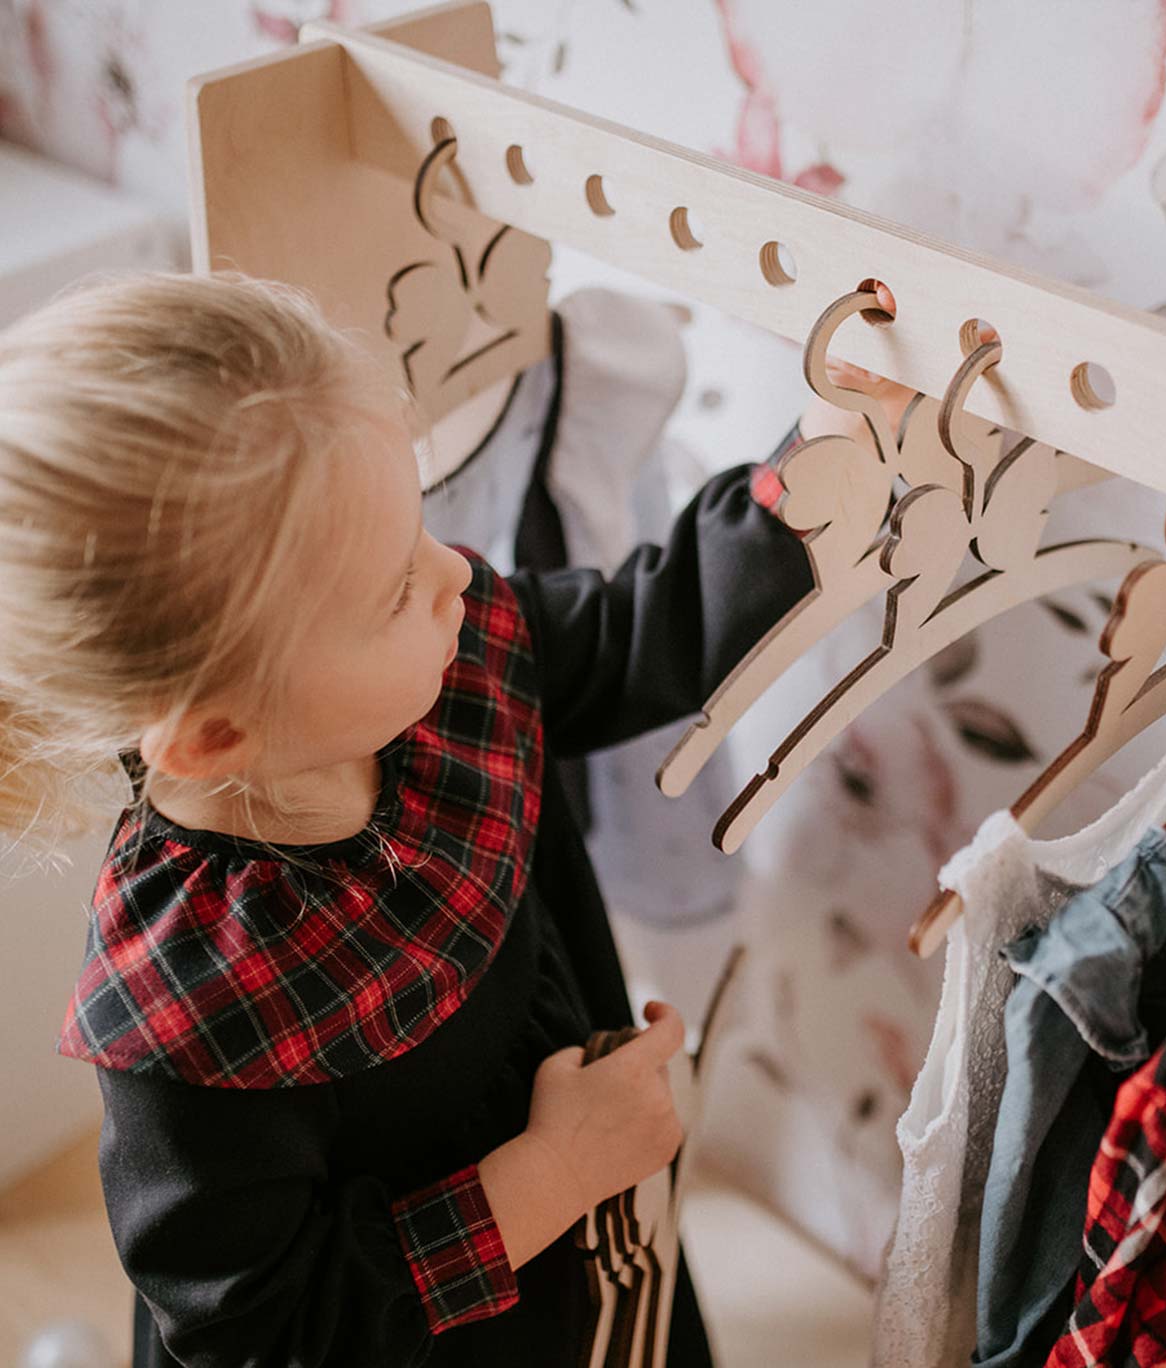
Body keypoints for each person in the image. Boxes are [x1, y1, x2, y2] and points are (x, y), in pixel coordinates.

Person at [0, 270, 903, 1366]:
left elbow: (639, 631)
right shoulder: (188, 1013)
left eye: (421, 523)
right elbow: (265, 1333)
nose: (453, 580)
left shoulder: (447, 664)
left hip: (591, 1259)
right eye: (392, 589)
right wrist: (549, 1176)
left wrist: (815, 470)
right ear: (216, 738)